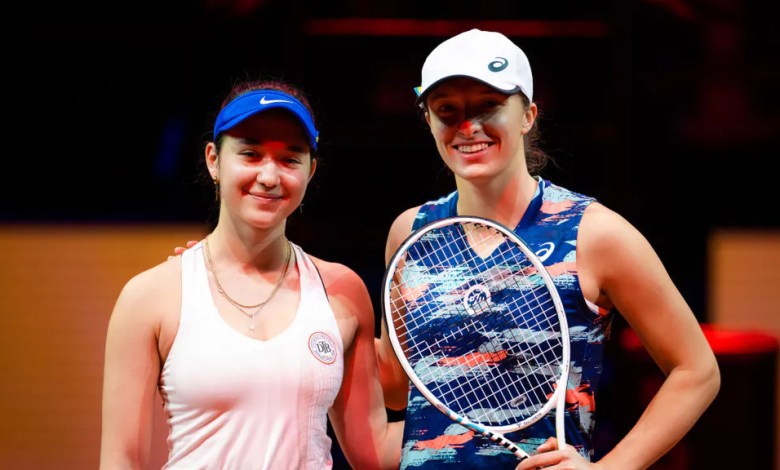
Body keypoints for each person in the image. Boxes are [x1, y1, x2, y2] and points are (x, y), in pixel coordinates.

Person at [373, 29, 721, 469]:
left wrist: (610, 469)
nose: (468, 126)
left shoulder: (593, 233)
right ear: (428, 120)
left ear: (527, 115)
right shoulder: (411, 231)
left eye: (488, 106)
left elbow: (697, 371)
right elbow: (396, 389)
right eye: (447, 110)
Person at [100, 78, 402, 469]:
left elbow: (374, 451)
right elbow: (121, 459)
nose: (269, 177)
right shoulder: (150, 296)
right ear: (213, 160)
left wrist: (474, 425)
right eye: (251, 154)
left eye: (290, 159)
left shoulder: (342, 291)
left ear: (311, 171)